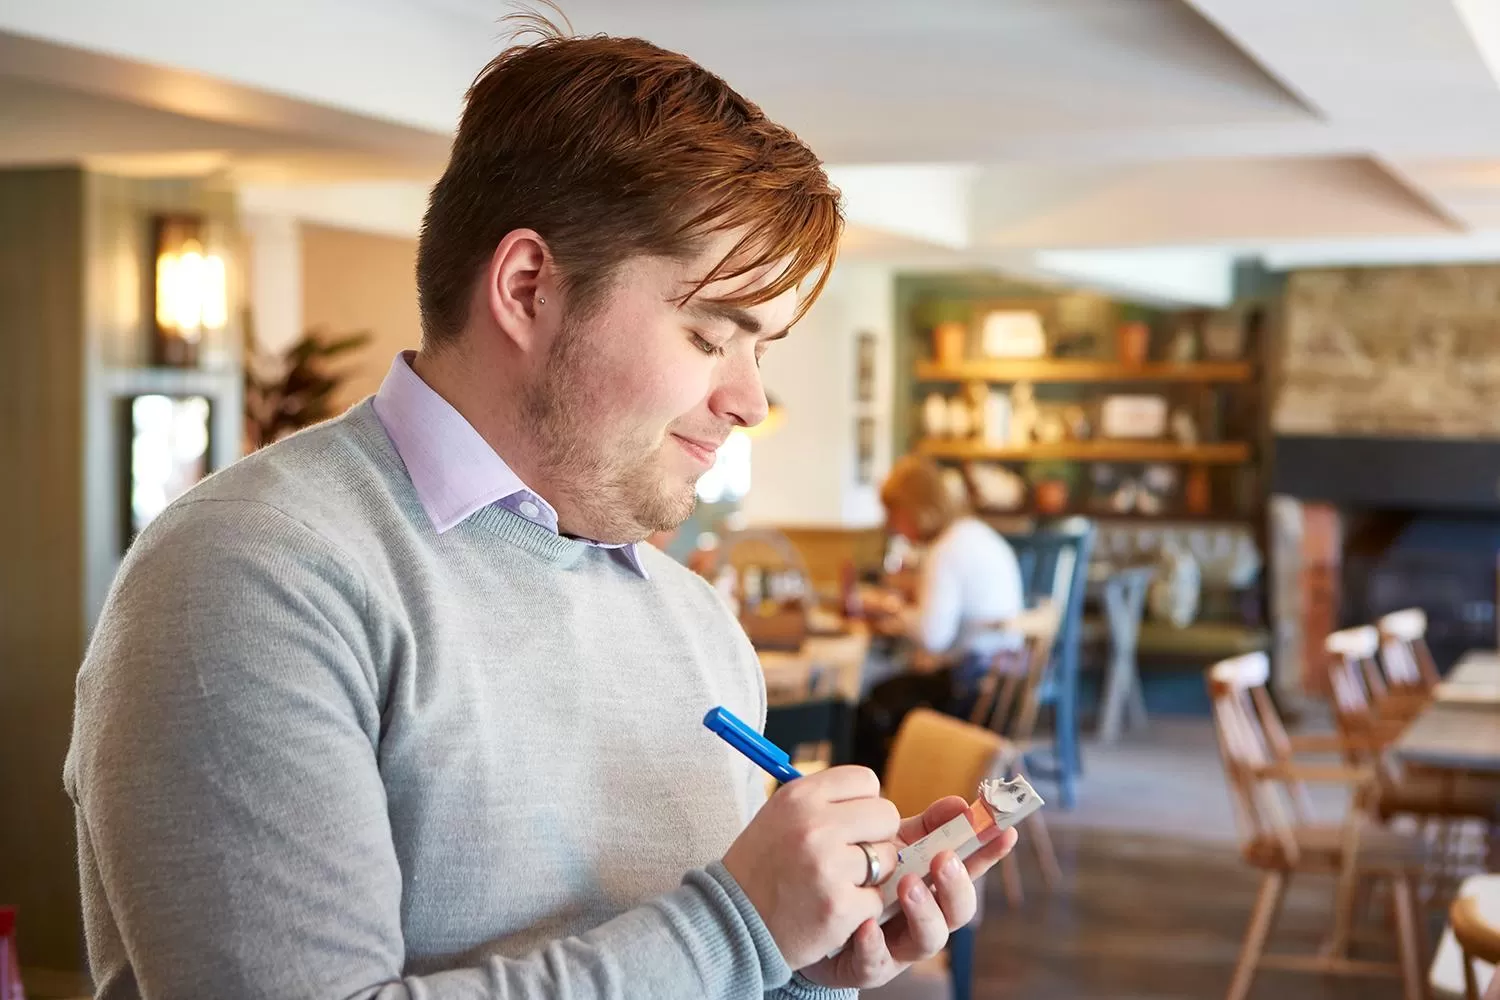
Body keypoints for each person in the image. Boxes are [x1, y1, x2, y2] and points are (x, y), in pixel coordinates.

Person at [63, 18, 1017, 1000]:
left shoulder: (696, 625)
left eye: (761, 349)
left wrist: (802, 968)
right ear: (527, 288)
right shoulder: (250, 574)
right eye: (710, 334)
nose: (750, 399)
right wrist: (739, 924)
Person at [854, 456, 1025, 774]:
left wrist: (892, 610)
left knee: (868, 704)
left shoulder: (945, 551)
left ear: (913, 509)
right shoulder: (976, 534)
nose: (893, 526)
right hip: (1001, 683)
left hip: (967, 691)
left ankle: (882, 802)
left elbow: (934, 637)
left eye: (894, 514)